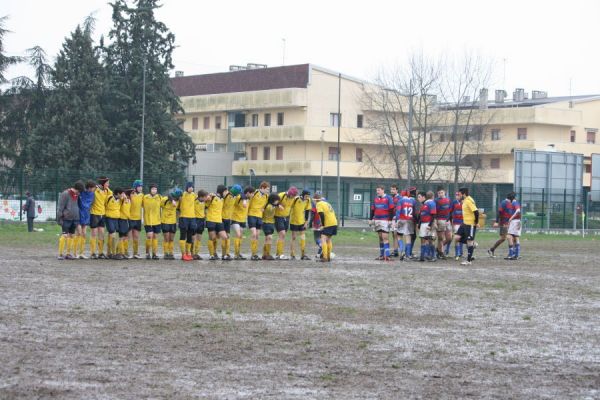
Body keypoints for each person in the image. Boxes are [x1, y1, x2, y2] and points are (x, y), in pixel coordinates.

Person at [57, 181, 84, 260]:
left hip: (74, 219)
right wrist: (59, 219)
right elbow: (60, 207)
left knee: (72, 236)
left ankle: (68, 254)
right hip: (66, 219)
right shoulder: (65, 194)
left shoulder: (77, 195)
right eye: (79, 192)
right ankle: (60, 254)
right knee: (64, 235)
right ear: (77, 190)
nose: (79, 194)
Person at [454, 187, 479, 266]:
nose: (459, 195)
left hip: (470, 224)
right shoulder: (464, 200)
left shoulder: (469, 201)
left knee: (469, 242)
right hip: (464, 223)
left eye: (460, 194)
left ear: (464, 194)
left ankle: (468, 260)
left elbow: (476, 211)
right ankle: (473, 244)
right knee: (456, 238)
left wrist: (476, 222)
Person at [369, 185, 394, 261]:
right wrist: (370, 219)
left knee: (385, 237)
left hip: (385, 220)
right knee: (380, 238)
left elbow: (392, 209)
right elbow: (372, 210)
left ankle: (387, 255)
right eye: (377, 190)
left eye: (379, 190)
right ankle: (381, 255)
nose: (377, 192)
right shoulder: (376, 199)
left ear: (383, 190)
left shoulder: (388, 198)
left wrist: (390, 220)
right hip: (377, 220)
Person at [89, 177, 112, 259]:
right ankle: (92, 253)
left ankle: (101, 253)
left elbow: (112, 194)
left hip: (102, 214)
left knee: (101, 233)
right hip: (94, 214)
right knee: (94, 234)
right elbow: (88, 193)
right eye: (107, 183)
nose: (108, 185)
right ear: (103, 183)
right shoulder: (95, 189)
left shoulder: (107, 191)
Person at [247, 181, 270, 261]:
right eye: (267, 189)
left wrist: (263, 208)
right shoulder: (255, 192)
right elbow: (248, 202)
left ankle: (255, 253)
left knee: (257, 235)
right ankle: (253, 254)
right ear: (262, 188)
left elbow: (267, 203)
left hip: (259, 216)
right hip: (252, 215)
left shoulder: (266, 196)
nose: (268, 191)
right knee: (253, 234)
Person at [274, 186, 298, 260]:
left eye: (294, 196)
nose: (293, 197)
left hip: (286, 217)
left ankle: (278, 253)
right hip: (278, 217)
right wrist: (278, 205)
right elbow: (273, 201)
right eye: (292, 195)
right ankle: (280, 254)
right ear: (290, 193)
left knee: (282, 235)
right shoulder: (281, 195)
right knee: (282, 234)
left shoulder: (293, 198)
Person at [205, 185, 228, 261]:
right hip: (211, 220)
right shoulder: (212, 197)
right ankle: (212, 254)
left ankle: (224, 255)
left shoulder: (223, 199)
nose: (226, 193)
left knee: (225, 237)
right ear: (222, 191)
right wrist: (208, 197)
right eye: (225, 191)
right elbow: (204, 202)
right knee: (213, 238)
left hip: (219, 221)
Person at [314, 193, 337, 263]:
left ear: (315, 200)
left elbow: (321, 214)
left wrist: (323, 225)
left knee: (323, 238)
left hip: (328, 223)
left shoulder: (319, 204)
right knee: (329, 239)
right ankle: (328, 256)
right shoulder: (326, 203)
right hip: (334, 222)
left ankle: (325, 257)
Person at [289, 189, 312, 260]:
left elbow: (307, 211)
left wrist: (306, 222)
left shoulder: (308, 200)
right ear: (302, 195)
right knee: (294, 238)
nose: (307, 197)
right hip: (294, 221)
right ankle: (292, 255)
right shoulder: (295, 199)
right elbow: (289, 207)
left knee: (303, 237)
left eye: (308, 196)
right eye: (306, 196)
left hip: (302, 222)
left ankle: (303, 254)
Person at [488, 193, 512, 258]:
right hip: (504, 223)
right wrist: (496, 221)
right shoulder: (504, 202)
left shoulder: (510, 204)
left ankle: (512, 253)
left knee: (508, 237)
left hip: (508, 223)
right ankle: (491, 249)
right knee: (504, 238)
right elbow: (499, 212)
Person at [231, 185, 252, 260]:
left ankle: (238, 253)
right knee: (238, 234)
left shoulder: (248, 199)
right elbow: (241, 196)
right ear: (248, 193)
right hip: (235, 219)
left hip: (243, 220)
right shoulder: (239, 197)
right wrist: (243, 200)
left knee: (240, 236)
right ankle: (236, 254)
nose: (252, 195)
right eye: (251, 193)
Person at [394, 190, 416, 260]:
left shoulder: (400, 201)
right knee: (408, 237)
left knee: (399, 236)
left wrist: (396, 221)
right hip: (410, 220)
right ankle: (408, 255)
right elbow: (414, 212)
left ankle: (402, 251)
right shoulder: (412, 201)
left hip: (402, 219)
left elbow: (398, 211)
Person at [178, 182, 197, 261]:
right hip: (183, 217)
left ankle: (188, 253)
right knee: (183, 235)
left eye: (192, 187)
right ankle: (183, 254)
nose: (191, 188)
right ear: (186, 188)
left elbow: (202, 198)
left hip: (192, 218)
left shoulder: (194, 195)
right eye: (189, 187)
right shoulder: (182, 194)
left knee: (190, 236)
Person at [142, 183, 162, 260]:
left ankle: (154, 254)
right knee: (149, 236)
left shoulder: (159, 197)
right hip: (148, 221)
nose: (154, 190)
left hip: (157, 221)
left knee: (155, 237)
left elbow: (165, 203)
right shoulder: (145, 197)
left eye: (155, 189)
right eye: (153, 189)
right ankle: (147, 253)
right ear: (150, 190)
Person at [77, 180, 96, 259]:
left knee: (84, 233)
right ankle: (76, 253)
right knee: (79, 233)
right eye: (93, 188)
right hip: (79, 214)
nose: (94, 189)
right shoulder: (81, 193)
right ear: (89, 188)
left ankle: (81, 253)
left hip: (86, 214)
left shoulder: (92, 194)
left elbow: (91, 204)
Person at [161, 188, 181, 260]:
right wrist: (172, 200)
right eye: (176, 197)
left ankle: (171, 253)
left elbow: (178, 210)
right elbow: (168, 196)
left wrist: (178, 220)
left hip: (173, 222)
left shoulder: (179, 201)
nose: (177, 198)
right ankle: (165, 253)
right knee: (166, 238)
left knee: (171, 239)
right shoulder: (165, 199)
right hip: (165, 221)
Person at [417, 191, 437, 262]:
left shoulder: (430, 203)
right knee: (423, 240)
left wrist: (430, 225)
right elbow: (421, 215)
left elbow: (433, 215)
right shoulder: (424, 204)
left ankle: (433, 256)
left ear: (424, 197)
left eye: (419, 197)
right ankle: (423, 256)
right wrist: (419, 225)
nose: (418, 199)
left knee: (430, 240)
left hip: (428, 224)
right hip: (423, 224)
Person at [104, 187, 123, 259]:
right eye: (121, 194)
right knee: (113, 234)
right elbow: (104, 205)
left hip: (116, 219)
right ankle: (114, 253)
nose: (122, 195)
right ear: (118, 194)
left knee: (112, 235)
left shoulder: (120, 200)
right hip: (109, 218)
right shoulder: (109, 198)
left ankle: (109, 253)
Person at [434, 187, 452, 259]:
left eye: (441, 192)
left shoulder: (448, 200)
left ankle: (438, 249)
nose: (440, 194)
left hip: (447, 221)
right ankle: (441, 252)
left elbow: (450, 210)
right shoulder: (436, 201)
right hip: (440, 220)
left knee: (449, 238)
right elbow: (434, 212)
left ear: (444, 192)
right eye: (439, 193)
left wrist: (450, 219)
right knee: (440, 238)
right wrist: (435, 221)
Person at [220, 184, 237, 260]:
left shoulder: (234, 197)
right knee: (224, 237)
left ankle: (227, 253)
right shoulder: (226, 195)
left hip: (228, 219)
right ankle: (224, 254)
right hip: (222, 218)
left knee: (228, 236)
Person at [262, 193, 280, 260]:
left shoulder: (274, 205)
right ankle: (267, 254)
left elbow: (276, 205)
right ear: (273, 200)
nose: (278, 201)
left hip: (272, 223)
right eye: (277, 200)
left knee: (267, 239)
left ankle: (265, 254)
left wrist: (277, 204)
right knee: (269, 238)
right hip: (266, 223)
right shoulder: (267, 205)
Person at [129, 180, 144, 259]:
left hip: (138, 219)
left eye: (141, 186)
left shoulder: (142, 195)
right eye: (139, 186)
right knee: (128, 236)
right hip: (130, 218)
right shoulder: (130, 194)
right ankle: (126, 252)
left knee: (136, 237)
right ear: (135, 187)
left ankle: (135, 253)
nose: (140, 188)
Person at [115, 189, 132, 260]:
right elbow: (120, 200)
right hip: (121, 220)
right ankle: (119, 253)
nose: (133, 195)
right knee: (121, 237)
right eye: (132, 193)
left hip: (126, 220)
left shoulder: (129, 201)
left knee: (125, 237)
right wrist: (123, 197)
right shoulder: (122, 200)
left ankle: (123, 252)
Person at [505, 192, 522, 260]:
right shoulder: (515, 203)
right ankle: (516, 254)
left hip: (515, 222)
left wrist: (510, 218)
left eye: (508, 199)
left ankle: (511, 254)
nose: (507, 200)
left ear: (510, 199)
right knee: (516, 237)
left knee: (509, 236)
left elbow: (518, 210)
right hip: (517, 221)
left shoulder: (514, 203)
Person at [193, 189, 209, 260]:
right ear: (201, 197)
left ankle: (196, 253)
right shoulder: (194, 200)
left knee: (199, 238)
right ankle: (192, 253)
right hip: (195, 220)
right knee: (193, 237)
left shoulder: (205, 202)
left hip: (202, 221)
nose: (206, 198)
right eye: (205, 197)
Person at [450, 191, 464, 260]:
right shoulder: (454, 202)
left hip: (463, 223)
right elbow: (450, 211)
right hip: (456, 223)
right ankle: (457, 253)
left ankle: (461, 252)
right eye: (456, 195)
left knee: (462, 238)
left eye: (458, 195)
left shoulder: (464, 202)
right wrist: (450, 221)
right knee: (456, 238)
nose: (457, 196)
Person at [389, 184, 401, 257]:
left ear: (397, 190)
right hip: (392, 218)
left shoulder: (399, 198)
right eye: (391, 189)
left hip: (397, 218)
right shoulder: (390, 198)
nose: (392, 191)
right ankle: (395, 250)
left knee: (396, 234)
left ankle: (399, 250)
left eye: (393, 189)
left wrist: (398, 218)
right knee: (393, 235)